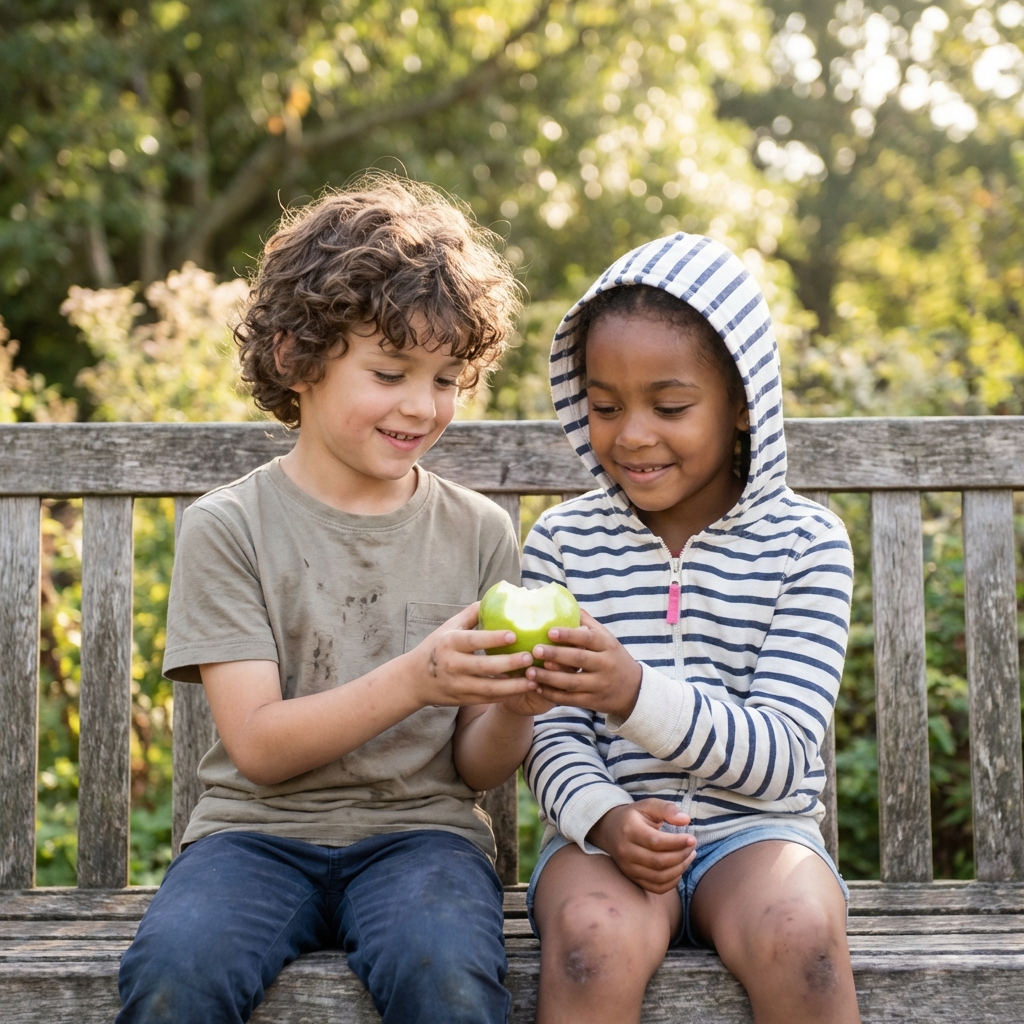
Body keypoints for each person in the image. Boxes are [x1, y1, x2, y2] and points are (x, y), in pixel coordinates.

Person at [116, 177, 548, 1024]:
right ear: (295, 358)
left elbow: (476, 767)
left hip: (423, 840)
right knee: (175, 977)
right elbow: (263, 749)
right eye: (390, 372)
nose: (422, 406)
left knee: (448, 980)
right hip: (252, 837)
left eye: (448, 379)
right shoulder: (230, 527)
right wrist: (421, 676)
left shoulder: (480, 535)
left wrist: (517, 705)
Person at [521, 234, 861, 1024]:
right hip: (604, 837)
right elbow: (546, 734)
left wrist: (634, 693)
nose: (632, 435)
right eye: (605, 407)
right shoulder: (564, 543)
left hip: (757, 835)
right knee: (588, 941)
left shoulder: (805, 545)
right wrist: (605, 817)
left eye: (669, 406)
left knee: (802, 937)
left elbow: (782, 759)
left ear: (742, 401)